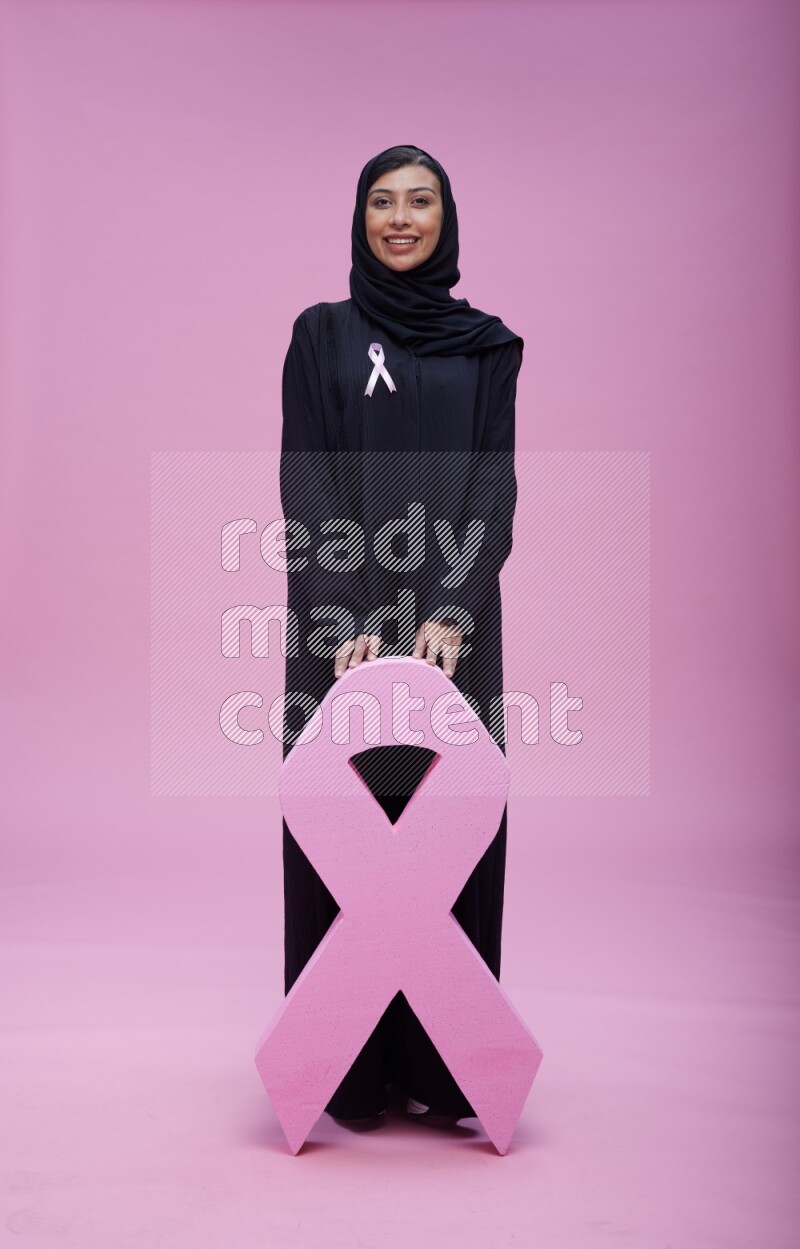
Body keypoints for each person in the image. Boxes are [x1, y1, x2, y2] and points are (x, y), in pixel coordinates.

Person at [279, 145, 523, 1129]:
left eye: (419, 201)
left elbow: (489, 489)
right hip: (334, 623)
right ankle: (343, 1074)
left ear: (445, 218)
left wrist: (452, 609)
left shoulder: (486, 346)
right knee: (342, 835)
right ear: (358, 218)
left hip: (451, 634)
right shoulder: (320, 335)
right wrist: (339, 611)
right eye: (381, 201)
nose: (399, 217)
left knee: (444, 837)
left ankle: (444, 1068)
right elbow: (307, 478)